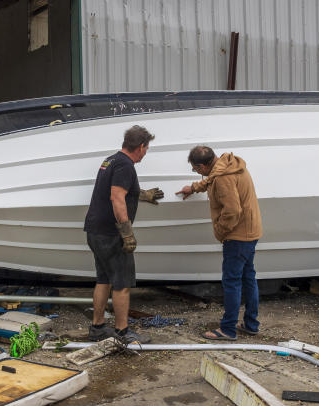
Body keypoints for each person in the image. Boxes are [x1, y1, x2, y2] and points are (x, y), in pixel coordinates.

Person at [83, 125, 163, 344]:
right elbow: (117, 197)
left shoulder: (110, 160)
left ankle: (97, 327)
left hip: (95, 230)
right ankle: (122, 332)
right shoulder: (126, 165)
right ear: (140, 147)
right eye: (146, 148)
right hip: (112, 234)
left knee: (104, 279)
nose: (146, 152)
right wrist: (127, 233)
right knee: (122, 284)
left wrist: (141, 194)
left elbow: (119, 190)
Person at [177, 146, 262, 340]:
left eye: (195, 169)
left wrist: (220, 232)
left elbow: (232, 211)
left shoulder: (223, 178)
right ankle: (251, 324)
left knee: (231, 282)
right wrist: (194, 187)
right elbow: (211, 178)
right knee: (248, 278)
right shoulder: (227, 164)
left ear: (202, 165)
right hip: (250, 231)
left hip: (237, 236)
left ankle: (228, 329)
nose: (197, 173)